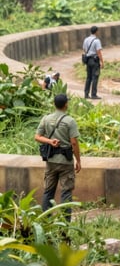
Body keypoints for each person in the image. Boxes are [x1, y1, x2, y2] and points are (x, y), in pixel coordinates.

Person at [34, 93, 81, 221]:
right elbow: (74, 143)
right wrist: (78, 160)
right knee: (66, 192)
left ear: (54, 104)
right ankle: (64, 224)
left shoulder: (46, 119)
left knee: (48, 192)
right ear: (66, 104)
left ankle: (46, 221)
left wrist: (50, 141)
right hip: (66, 162)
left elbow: (37, 137)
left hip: (50, 161)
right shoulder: (70, 121)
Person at [82, 25, 104, 99]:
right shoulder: (97, 41)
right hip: (95, 60)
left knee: (88, 77)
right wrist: (102, 62)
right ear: (96, 31)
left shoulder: (86, 39)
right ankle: (93, 94)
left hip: (88, 60)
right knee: (95, 77)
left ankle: (86, 94)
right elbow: (98, 52)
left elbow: (84, 49)